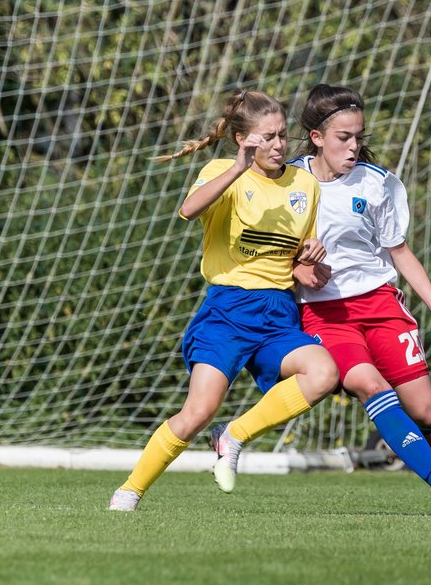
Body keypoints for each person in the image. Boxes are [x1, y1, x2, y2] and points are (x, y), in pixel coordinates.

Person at [108, 90, 339, 511]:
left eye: (282, 136)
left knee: (323, 373)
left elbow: (300, 256)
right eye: (265, 137)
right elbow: (188, 210)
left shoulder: (304, 183)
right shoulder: (224, 172)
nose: (277, 145)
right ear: (242, 140)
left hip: (278, 313)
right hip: (228, 312)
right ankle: (130, 491)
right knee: (196, 412)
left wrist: (311, 257)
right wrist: (237, 168)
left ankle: (232, 435)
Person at [286, 83, 431, 514]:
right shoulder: (288, 183)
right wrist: (298, 268)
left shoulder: (379, 185)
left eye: (359, 137)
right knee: (368, 384)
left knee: (427, 413)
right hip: (325, 316)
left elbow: (399, 251)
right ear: (317, 137)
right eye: (344, 138)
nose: (354, 146)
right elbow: (271, 249)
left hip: (379, 304)